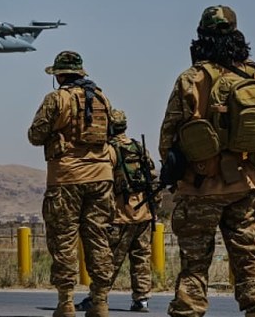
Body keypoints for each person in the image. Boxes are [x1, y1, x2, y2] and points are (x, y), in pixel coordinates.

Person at [159, 5, 255, 317]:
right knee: (250, 261)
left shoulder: (191, 78)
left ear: (201, 36)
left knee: (194, 266)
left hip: (201, 186)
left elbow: (168, 137)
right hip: (248, 183)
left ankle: (189, 311)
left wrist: (175, 170)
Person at [28, 51, 115, 317]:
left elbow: (35, 135)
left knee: (64, 241)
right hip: (101, 177)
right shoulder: (102, 98)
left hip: (66, 178)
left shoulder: (56, 99)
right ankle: (100, 302)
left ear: (59, 75)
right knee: (99, 239)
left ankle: (66, 303)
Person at [75, 109, 158, 313]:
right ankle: (141, 299)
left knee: (108, 260)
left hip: (120, 215)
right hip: (144, 213)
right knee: (141, 258)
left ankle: (97, 298)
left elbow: (102, 183)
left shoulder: (108, 150)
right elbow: (152, 176)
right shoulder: (138, 148)